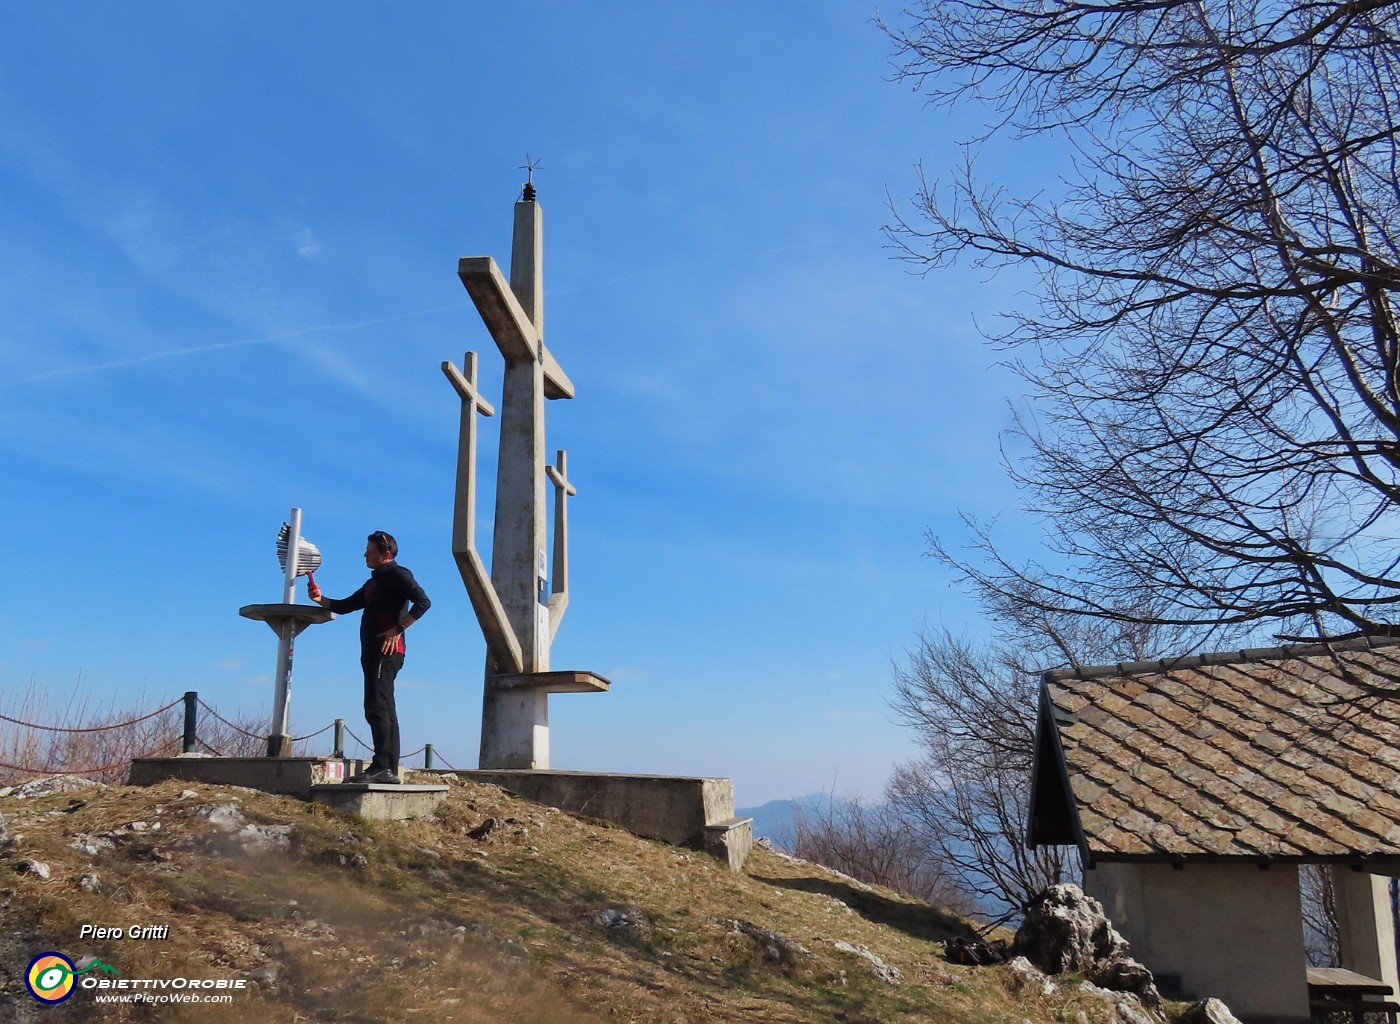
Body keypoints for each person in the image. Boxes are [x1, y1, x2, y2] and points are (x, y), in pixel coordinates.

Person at [308, 530, 430, 784]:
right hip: (374, 653)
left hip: (386, 652)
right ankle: (388, 769)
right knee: (384, 708)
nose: (365, 554)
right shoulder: (373, 583)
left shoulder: (398, 574)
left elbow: (423, 602)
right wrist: (320, 599)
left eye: (370, 551)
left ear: (385, 554)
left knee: (376, 707)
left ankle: (382, 767)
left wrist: (398, 629)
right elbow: (344, 606)